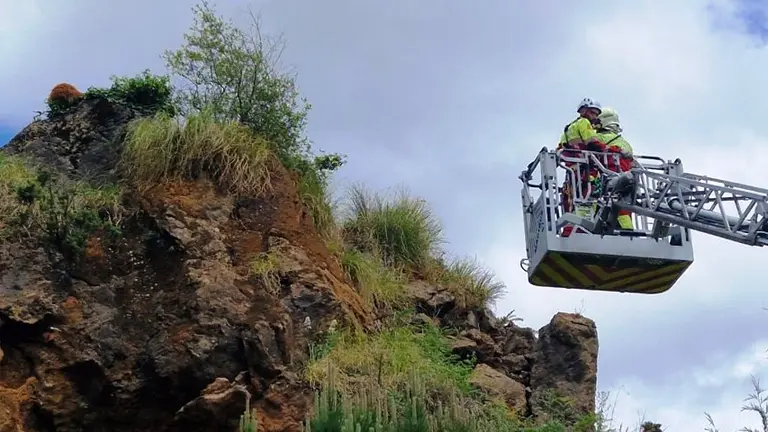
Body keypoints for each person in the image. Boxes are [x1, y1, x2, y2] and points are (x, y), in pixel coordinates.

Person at [558, 98, 607, 237]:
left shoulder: (568, 128)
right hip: (585, 167)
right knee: (588, 196)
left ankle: (569, 228)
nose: (595, 117)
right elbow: (592, 142)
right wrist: (608, 150)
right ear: (584, 111)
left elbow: (560, 148)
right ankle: (582, 228)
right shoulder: (584, 123)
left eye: (596, 114)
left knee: (572, 198)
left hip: (572, 169)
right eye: (592, 113)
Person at [595, 107, 634, 230]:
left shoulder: (600, 138)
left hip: (607, 181)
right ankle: (628, 231)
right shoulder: (625, 143)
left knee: (603, 206)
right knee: (624, 209)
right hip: (628, 181)